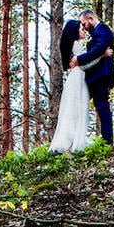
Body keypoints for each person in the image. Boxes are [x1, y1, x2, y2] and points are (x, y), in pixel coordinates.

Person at [71, 9, 114, 145]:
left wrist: (78, 59)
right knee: (88, 106)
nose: (83, 27)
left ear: (90, 18)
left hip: (101, 76)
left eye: (84, 24)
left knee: (102, 106)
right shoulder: (97, 32)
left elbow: (99, 49)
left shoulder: (103, 30)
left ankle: (107, 141)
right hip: (94, 76)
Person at [49, 18, 92, 153]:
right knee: (76, 109)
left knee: (73, 109)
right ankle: (69, 143)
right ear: (75, 32)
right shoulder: (76, 45)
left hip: (76, 78)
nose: (83, 31)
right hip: (78, 78)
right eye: (81, 29)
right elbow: (85, 64)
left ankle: (69, 143)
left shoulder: (75, 45)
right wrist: (102, 55)